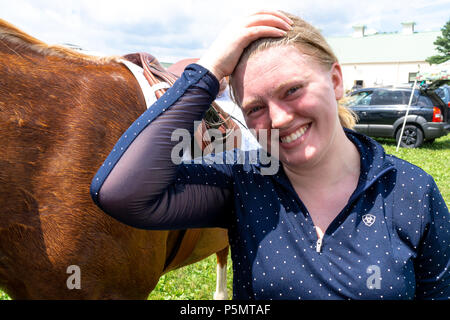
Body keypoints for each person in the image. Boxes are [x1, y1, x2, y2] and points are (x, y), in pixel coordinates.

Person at [90, 11, 449, 300]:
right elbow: (120, 192)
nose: (277, 119)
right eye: (256, 107)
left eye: (292, 89)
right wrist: (207, 73)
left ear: (336, 80)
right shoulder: (244, 181)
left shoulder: (409, 190)